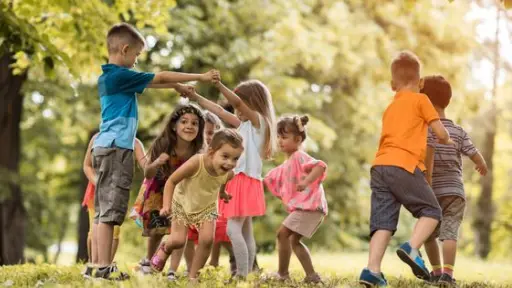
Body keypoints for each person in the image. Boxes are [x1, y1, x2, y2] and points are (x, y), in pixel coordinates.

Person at [92, 22, 218, 280]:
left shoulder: (109, 77)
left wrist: (175, 88)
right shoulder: (119, 75)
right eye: (136, 56)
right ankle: (103, 268)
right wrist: (200, 77)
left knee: (104, 210)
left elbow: (156, 82)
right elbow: (159, 77)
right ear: (125, 50)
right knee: (111, 212)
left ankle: (97, 265)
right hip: (117, 149)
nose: (137, 62)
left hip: (106, 147)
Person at [358, 51, 453, 287]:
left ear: (392, 85)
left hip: (380, 167)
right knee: (432, 212)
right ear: (421, 83)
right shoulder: (422, 100)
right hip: (405, 165)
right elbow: (440, 133)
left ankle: (372, 270)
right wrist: (447, 139)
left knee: (382, 222)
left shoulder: (390, 107)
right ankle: (412, 248)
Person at [186, 77, 276, 279]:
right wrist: (195, 96)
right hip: (242, 181)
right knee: (245, 232)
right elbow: (220, 111)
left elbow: (235, 103)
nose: (237, 110)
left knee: (232, 229)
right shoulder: (244, 125)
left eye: (241, 104)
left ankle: (241, 275)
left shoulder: (259, 123)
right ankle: (248, 272)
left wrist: (218, 85)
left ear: (253, 103)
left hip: (244, 180)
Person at [149, 129, 244, 282]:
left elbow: (223, 181)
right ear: (211, 152)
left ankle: (193, 277)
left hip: (207, 207)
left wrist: (222, 193)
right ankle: (165, 247)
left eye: (235, 159)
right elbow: (171, 181)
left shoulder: (229, 173)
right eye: (225, 156)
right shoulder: (196, 162)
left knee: (207, 240)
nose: (230, 163)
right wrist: (166, 205)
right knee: (179, 240)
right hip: (182, 203)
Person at [421, 75, 488, 287]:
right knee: (450, 232)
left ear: (426, 102)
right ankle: (448, 275)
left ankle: (436, 272)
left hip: (431, 191)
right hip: (455, 192)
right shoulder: (458, 131)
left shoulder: (425, 130)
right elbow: (474, 153)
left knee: (428, 234)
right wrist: (481, 164)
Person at [130, 103, 205, 279]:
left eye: (195, 123)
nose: (189, 126)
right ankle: (149, 262)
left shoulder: (198, 150)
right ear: (174, 125)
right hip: (158, 190)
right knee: (156, 230)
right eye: (184, 122)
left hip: (181, 193)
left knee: (178, 233)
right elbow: (148, 173)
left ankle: (170, 268)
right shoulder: (164, 143)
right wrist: (156, 163)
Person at [264, 115, 327, 284]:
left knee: (282, 234)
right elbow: (272, 178)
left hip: (310, 207)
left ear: (298, 139)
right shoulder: (288, 163)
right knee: (293, 240)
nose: (279, 141)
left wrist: (306, 181)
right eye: (278, 137)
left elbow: (320, 166)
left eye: (284, 137)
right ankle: (312, 276)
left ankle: (282, 274)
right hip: (309, 209)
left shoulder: (299, 156)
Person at [82, 133, 146, 278]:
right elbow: (87, 166)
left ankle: (106, 267)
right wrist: (99, 183)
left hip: (117, 194)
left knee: (114, 230)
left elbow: (146, 165)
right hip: (95, 193)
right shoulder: (97, 138)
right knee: (94, 229)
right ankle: (93, 265)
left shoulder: (134, 142)